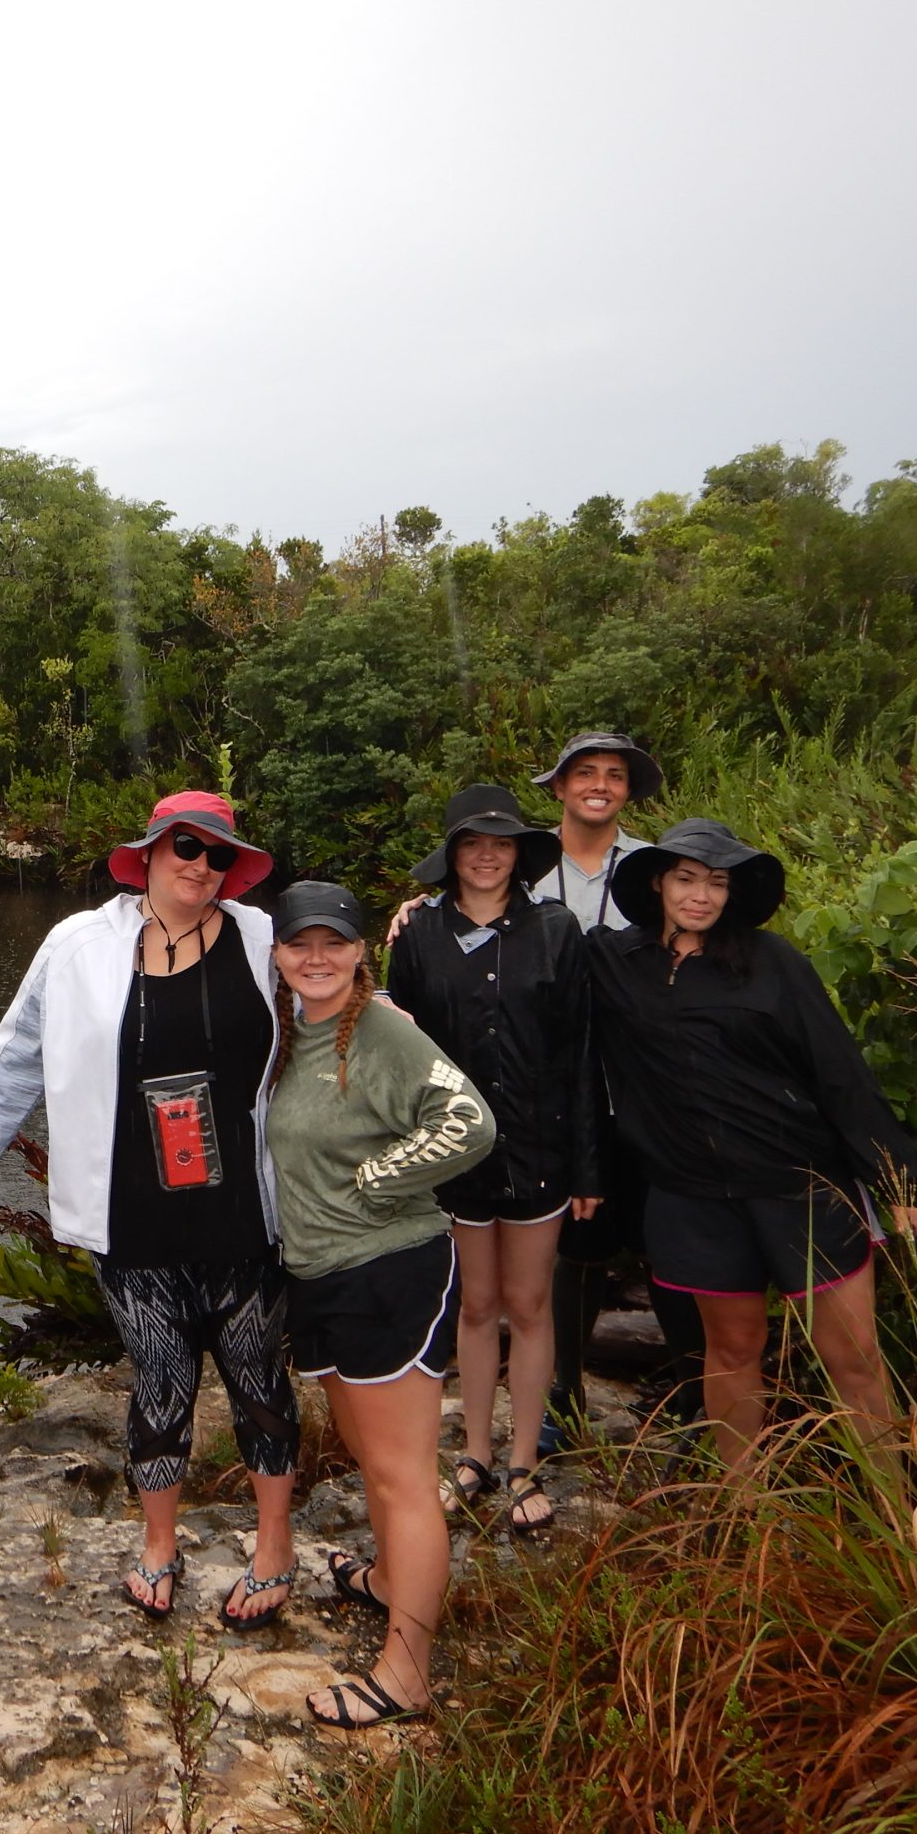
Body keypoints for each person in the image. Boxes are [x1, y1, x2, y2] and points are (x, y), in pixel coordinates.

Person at [0, 791, 305, 1629]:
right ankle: (160, 1545)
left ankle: (274, 1545)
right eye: (185, 847)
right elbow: (17, 1058)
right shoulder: (77, 945)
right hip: (129, 1211)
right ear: (151, 852)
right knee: (161, 1381)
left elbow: (334, 990)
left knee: (258, 1380)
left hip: (244, 1204)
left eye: (216, 855)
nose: (200, 866)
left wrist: (390, 986)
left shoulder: (261, 937)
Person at [586, 820, 917, 1470]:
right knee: (733, 1350)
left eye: (716, 883)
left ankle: (894, 1514)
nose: (700, 896)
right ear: (659, 881)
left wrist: (901, 1181)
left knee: (852, 1356)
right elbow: (523, 958)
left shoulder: (774, 965)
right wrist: (427, 913)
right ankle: (748, 1515)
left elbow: (840, 1073)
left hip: (800, 1187)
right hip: (694, 1197)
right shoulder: (615, 963)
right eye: (686, 879)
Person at [388, 730, 703, 1442]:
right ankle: (553, 1404)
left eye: (614, 774)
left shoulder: (649, 872)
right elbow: (412, 1018)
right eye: (584, 773)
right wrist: (414, 913)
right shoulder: (476, 904)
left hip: (635, 1092)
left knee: (661, 1244)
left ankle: (688, 1400)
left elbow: (689, 940)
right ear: (558, 788)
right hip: (508, 1120)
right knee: (558, 1267)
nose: (599, 785)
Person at [265, 881, 497, 1728]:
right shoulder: (292, 1032)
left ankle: (406, 1674)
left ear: (362, 951)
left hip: (392, 1271)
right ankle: (396, 1580)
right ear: (280, 954)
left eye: (334, 942)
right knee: (371, 1458)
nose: (316, 958)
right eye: (300, 944)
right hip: (320, 1277)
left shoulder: (387, 1031)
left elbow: (470, 1120)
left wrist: (377, 1178)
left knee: (404, 1478)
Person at [384, 786, 599, 1535]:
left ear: (518, 853)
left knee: (531, 1306)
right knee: (476, 1307)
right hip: (454, 1154)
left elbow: (581, 1054)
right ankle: (474, 1455)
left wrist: (587, 1169)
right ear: (451, 854)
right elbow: (395, 1052)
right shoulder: (417, 935)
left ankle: (524, 1462)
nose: (486, 854)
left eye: (501, 842)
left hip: (540, 1144)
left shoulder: (556, 929)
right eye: (472, 842)